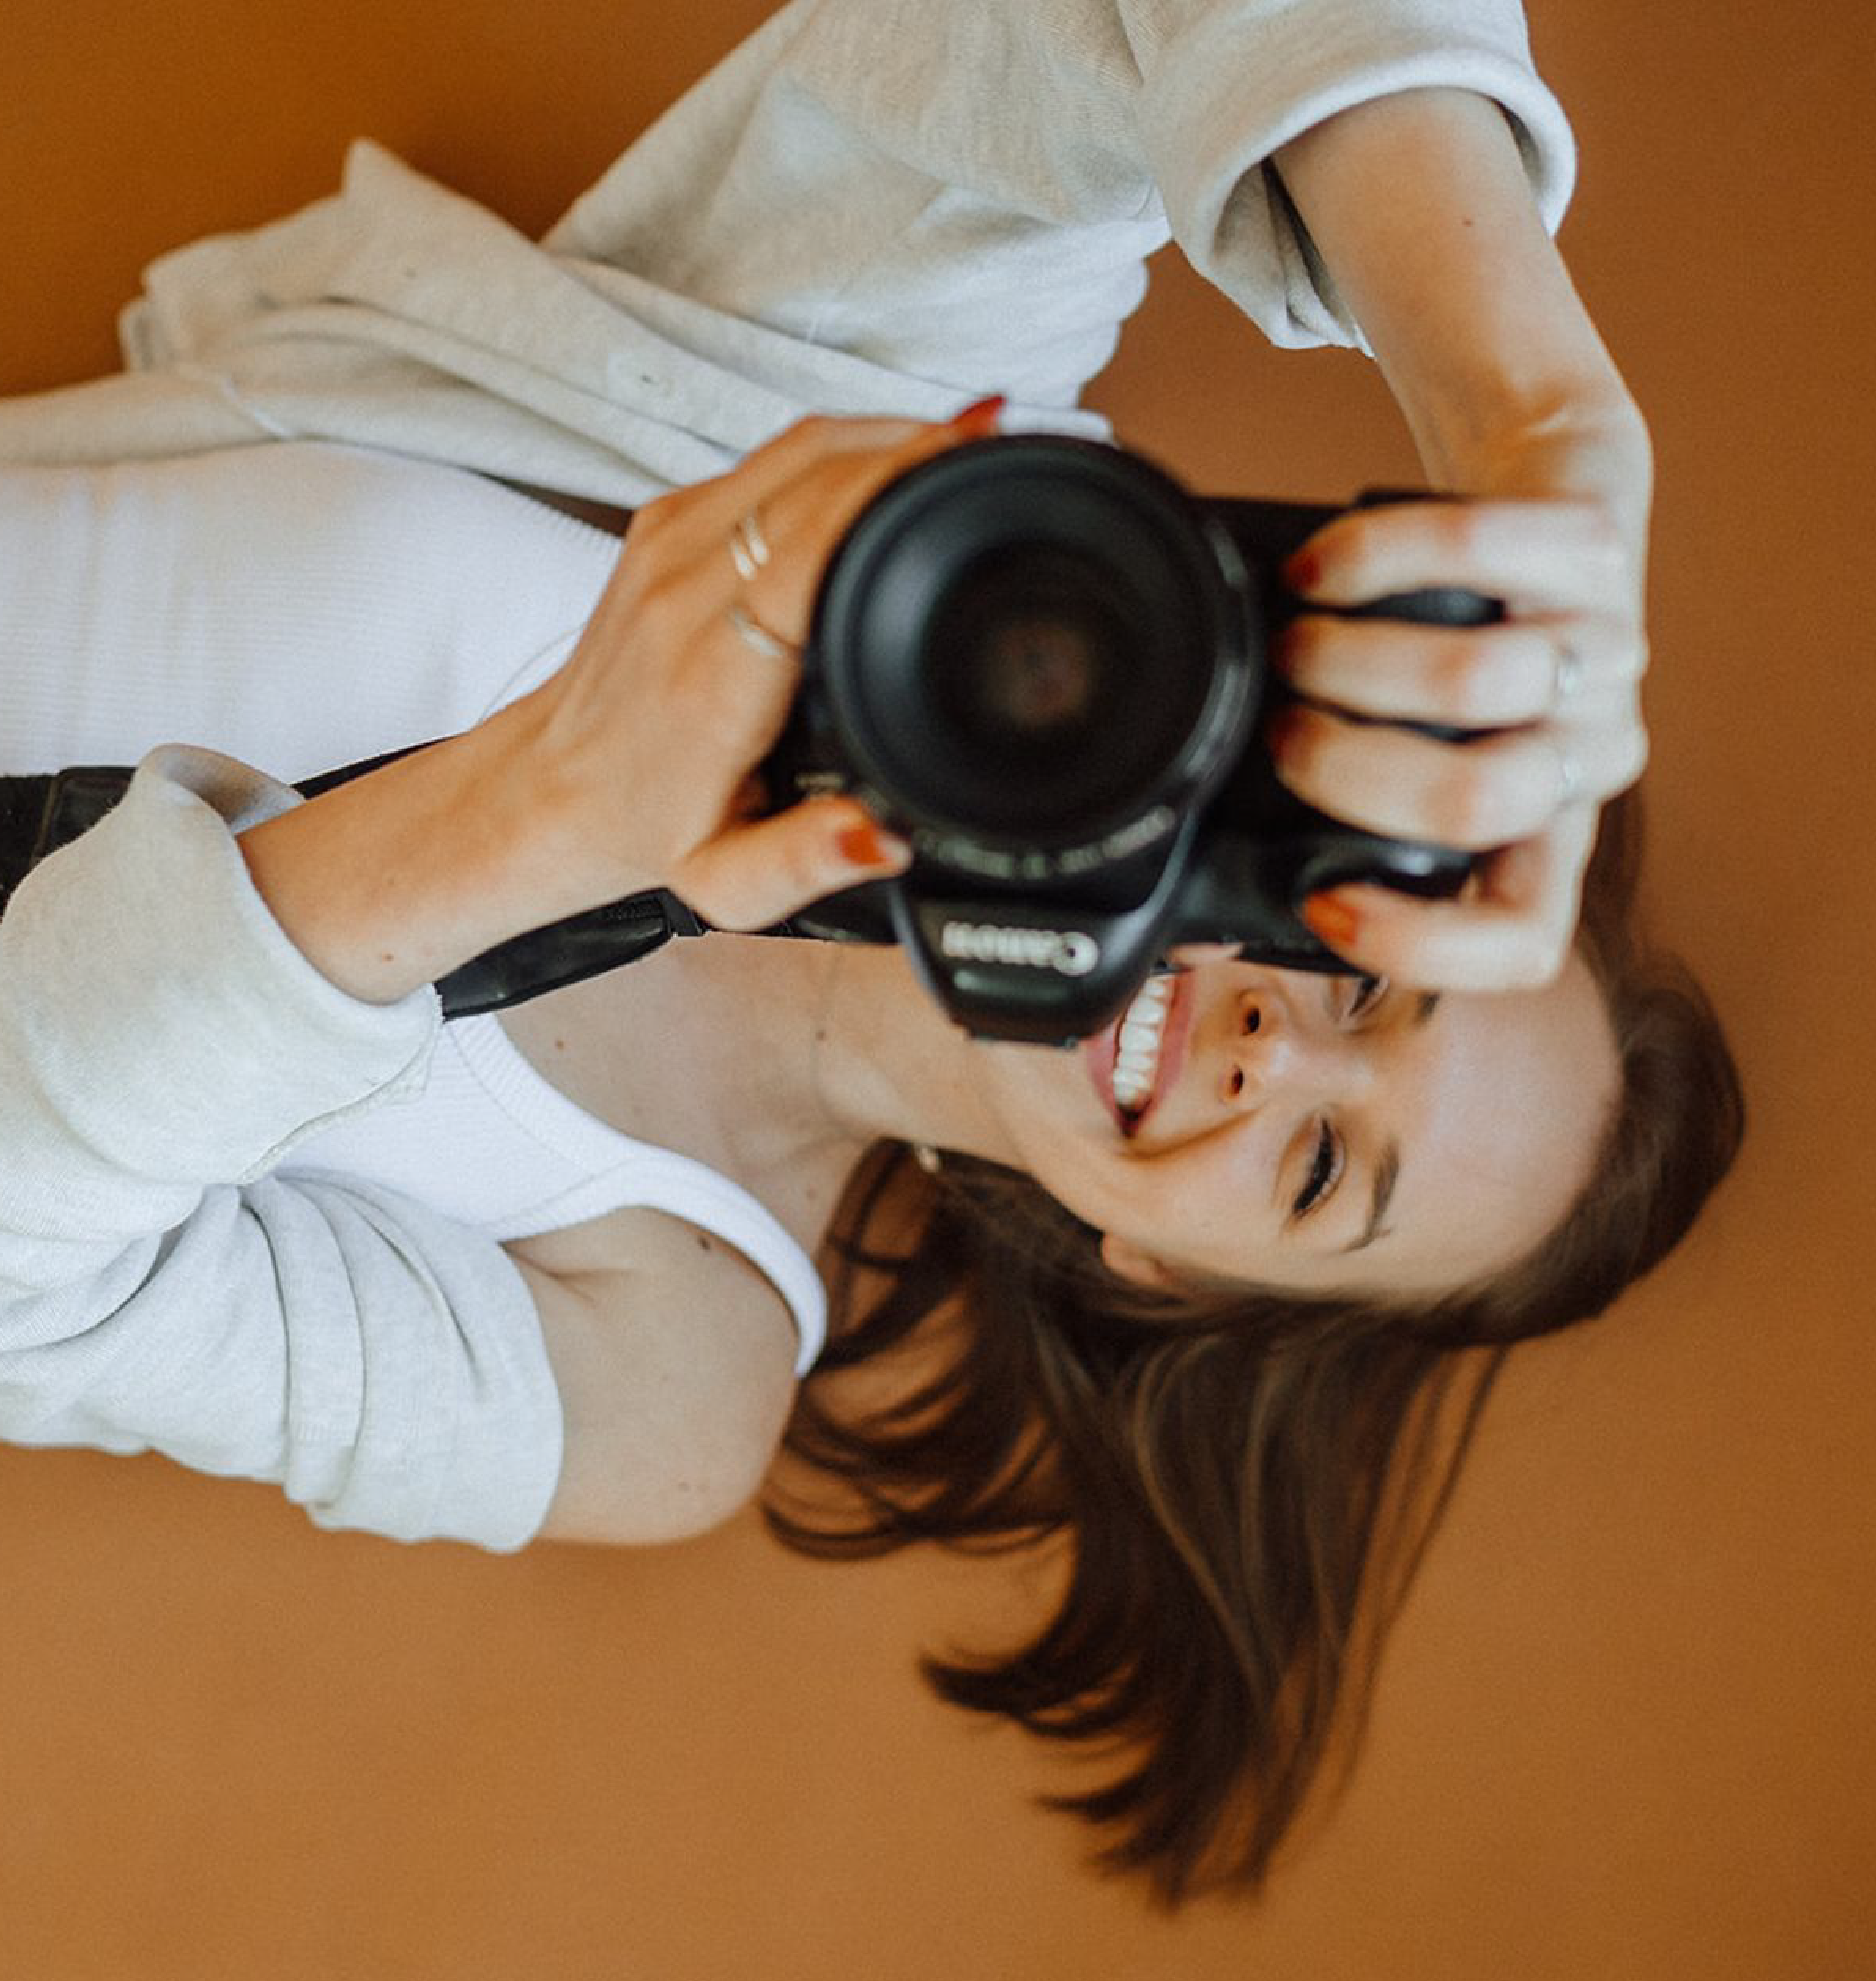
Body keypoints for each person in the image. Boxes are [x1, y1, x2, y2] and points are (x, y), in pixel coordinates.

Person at [0, 0, 1741, 1903]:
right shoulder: (898, 496)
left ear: (1161, 1269)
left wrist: (546, 819)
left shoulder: (674, 1375)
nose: (1273, 1051)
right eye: (1359, 963)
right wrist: (1523, 408)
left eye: (1327, 1163)